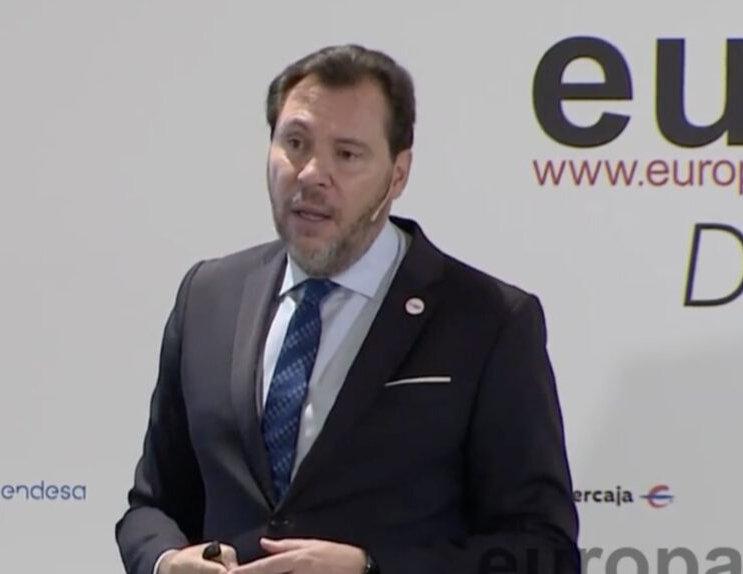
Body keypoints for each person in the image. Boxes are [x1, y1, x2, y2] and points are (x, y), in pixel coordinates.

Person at [115, 44, 579, 574]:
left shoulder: (488, 321)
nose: (312, 174)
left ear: (397, 175)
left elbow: (542, 551)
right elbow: (152, 507)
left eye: (347, 154)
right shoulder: (208, 297)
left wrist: (369, 568)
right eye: (295, 143)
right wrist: (166, 561)